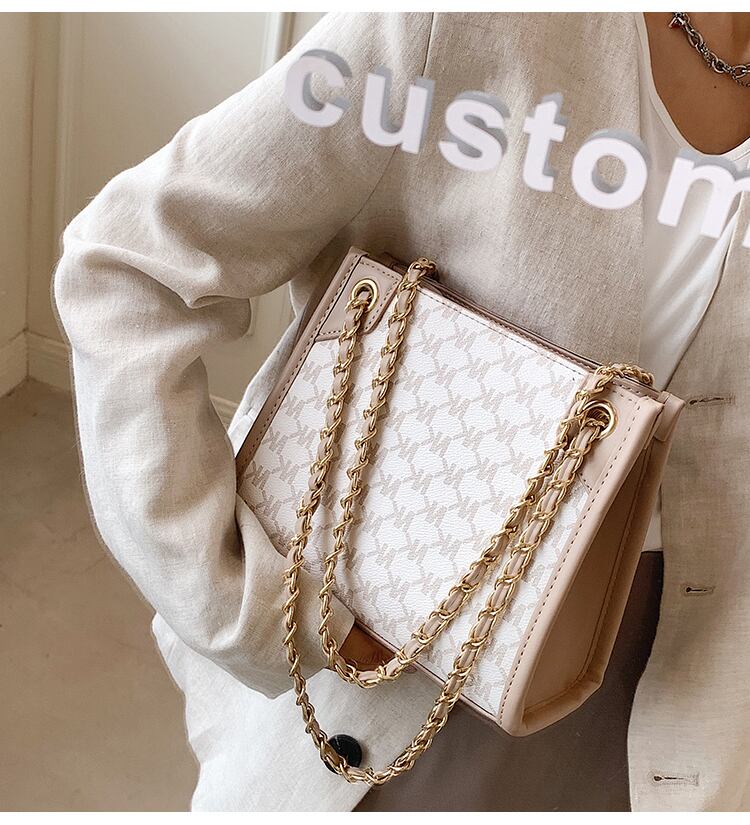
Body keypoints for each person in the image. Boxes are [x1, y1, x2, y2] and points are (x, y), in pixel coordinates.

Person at [53, 12, 750, 811]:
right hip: (397, 662)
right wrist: (238, 596)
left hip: (691, 706)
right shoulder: (460, 24)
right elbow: (130, 261)